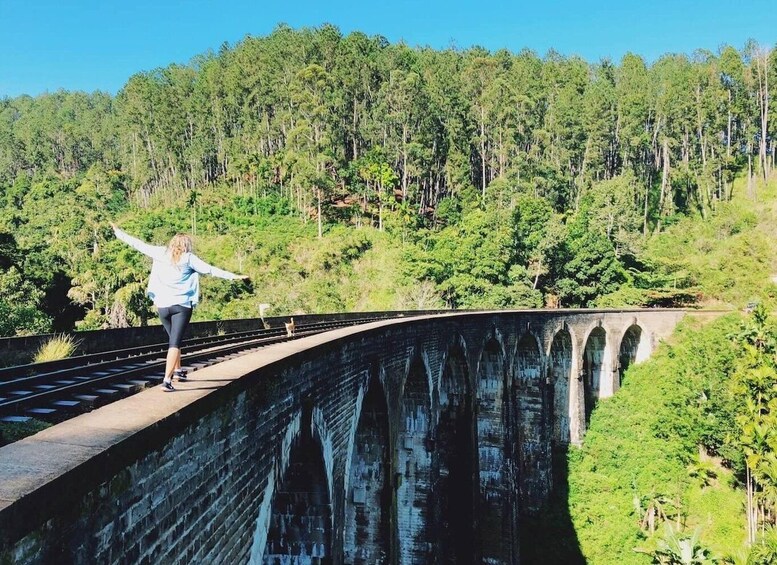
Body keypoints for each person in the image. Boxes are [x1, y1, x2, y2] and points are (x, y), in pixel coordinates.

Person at [111, 223, 249, 391]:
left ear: (172, 243)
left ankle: (177, 370)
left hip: (163, 307)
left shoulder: (161, 252)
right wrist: (235, 277)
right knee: (174, 344)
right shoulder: (189, 258)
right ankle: (166, 381)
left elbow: (137, 244)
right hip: (181, 307)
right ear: (186, 246)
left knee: (173, 340)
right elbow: (211, 270)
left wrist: (118, 232)